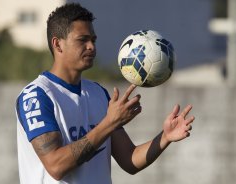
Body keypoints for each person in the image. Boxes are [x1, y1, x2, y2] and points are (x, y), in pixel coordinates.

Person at [15, 3, 195, 184]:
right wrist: (109, 123)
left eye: (93, 40)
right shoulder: (36, 96)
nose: (91, 46)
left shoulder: (98, 93)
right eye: (82, 40)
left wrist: (165, 137)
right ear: (58, 44)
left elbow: (129, 160)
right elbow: (56, 166)